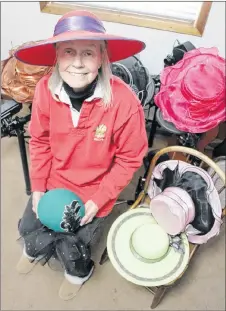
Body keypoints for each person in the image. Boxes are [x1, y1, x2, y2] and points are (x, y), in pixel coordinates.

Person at [15, 10, 148, 300]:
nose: (77, 62)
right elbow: (39, 142)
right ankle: (32, 249)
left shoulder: (124, 102)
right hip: (53, 181)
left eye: (88, 52)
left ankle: (78, 273)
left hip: (95, 190)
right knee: (30, 225)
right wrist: (38, 188)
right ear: (56, 56)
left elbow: (129, 159)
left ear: (102, 57)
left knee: (75, 244)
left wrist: (98, 199)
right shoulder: (43, 91)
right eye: (68, 52)